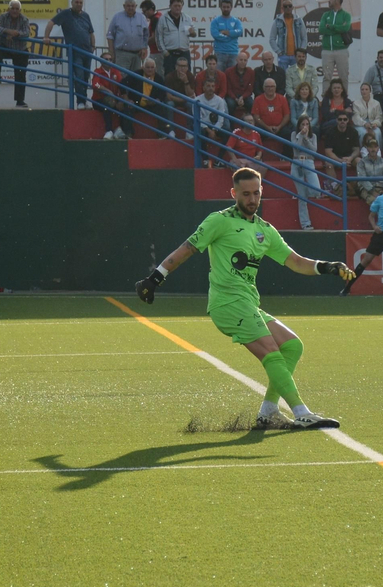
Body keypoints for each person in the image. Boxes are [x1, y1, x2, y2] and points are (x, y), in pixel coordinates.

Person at [135, 167, 350, 430]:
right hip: (227, 303)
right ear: (233, 193)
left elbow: (296, 262)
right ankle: (301, 412)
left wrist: (328, 266)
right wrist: (155, 278)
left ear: (262, 192)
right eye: (245, 194)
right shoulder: (219, 220)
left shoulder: (264, 230)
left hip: (248, 303)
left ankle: (269, 412)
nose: (251, 199)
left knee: (292, 346)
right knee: (271, 350)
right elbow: (187, 249)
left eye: (256, 193)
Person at [45, 0, 96, 106]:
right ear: (72, 3)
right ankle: (80, 102)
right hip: (75, 52)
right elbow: (51, 23)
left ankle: (84, 100)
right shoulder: (65, 13)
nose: (78, 4)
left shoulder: (86, 15)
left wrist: (93, 46)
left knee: (86, 77)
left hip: (87, 52)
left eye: (81, 2)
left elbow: (91, 32)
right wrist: (46, 37)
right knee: (79, 76)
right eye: (76, 2)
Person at [0, 0, 32, 108]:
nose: (14, 11)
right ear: (8, 9)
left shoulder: (24, 19)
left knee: (20, 75)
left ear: (20, 10)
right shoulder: (3, 16)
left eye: (17, 9)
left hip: (20, 50)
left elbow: (26, 33)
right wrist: (8, 31)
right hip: (6, 47)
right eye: (12, 8)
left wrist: (16, 34)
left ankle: (20, 101)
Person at [289, 116, 321, 230]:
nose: (305, 127)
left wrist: (306, 138)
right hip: (297, 161)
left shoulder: (313, 136)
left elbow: (314, 150)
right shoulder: (294, 134)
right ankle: (305, 224)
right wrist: (301, 136)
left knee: (316, 190)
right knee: (302, 197)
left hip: (308, 161)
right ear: (299, 126)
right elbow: (296, 147)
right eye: (302, 124)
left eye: (307, 124)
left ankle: (301, 191)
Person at [319, 0, 353, 84]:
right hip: (327, 50)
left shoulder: (346, 15)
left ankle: (344, 98)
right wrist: (338, 28)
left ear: (337, 0)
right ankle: (325, 98)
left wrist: (330, 26)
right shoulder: (325, 15)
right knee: (326, 77)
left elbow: (345, 28)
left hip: (341, 50)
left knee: (343, 76)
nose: (329, 1)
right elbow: (321, 29)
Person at [210, 0, 243, 70]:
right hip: (220, 52)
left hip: (233, 52)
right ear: (220, 7)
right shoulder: (215, 21)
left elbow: (240, 32)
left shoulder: (236, 21)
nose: (226, 9)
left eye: (228, 7)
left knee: (232, 77)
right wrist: (231, 36)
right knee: (219, 76)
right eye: (224, 7)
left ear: (231, 8)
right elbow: (215, 34)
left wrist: (227, 32)